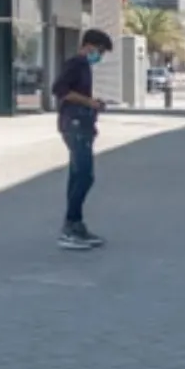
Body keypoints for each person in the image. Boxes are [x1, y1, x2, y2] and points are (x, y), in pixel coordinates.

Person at [52, 29, 112, 250]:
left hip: (81, 124)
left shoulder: (84, 66)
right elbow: (59, 89)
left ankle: (75, 224)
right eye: (100, 51)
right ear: (88, 46)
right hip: (74, 124)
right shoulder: (76, 63)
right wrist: (89, 103)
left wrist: (92, 102)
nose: (101, 56)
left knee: (78, 174)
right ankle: (70, 226)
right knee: (85, 176)